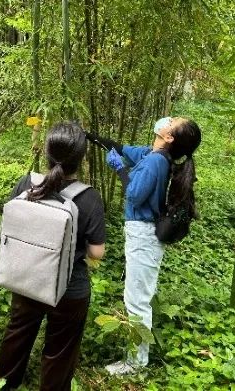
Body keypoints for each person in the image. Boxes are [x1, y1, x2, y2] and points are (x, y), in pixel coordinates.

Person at [0, 122, 106, 391]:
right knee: (61, 347)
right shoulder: (89, 198)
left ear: (47, 152)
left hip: (26, 276)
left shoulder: (27, 184)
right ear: (82, 158)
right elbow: (96, 252)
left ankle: (4, 380)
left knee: (19, 329)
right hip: (70, 288)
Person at [86, 116, 201, 374]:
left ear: (168, 136)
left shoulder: (154, 161)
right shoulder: (152, 154)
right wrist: (89, 135)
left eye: (173, 120)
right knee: (136, 295)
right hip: (142, 233)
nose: (169, 118)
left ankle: (136, 362)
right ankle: (136, 356)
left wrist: (119, 169)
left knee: (137, 300)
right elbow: (120, 148)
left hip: (144, 235)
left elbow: (134, 195)